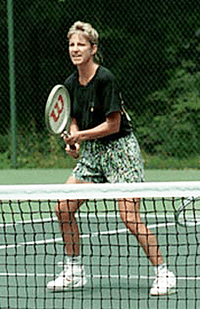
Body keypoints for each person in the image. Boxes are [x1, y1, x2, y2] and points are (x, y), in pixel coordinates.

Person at [47, 21, 176, 296]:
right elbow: (71, 117)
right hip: (93, 155)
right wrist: (72, 139)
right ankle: (74, 270)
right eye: (71, 44)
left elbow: (113, 125)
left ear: (93, 48)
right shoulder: (70, 83)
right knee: (63, 208)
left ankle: (164, 272)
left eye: (81, 44)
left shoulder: (105, 79)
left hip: (121, 152)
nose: (75, 49)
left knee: (128, 216)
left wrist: (80, 136)